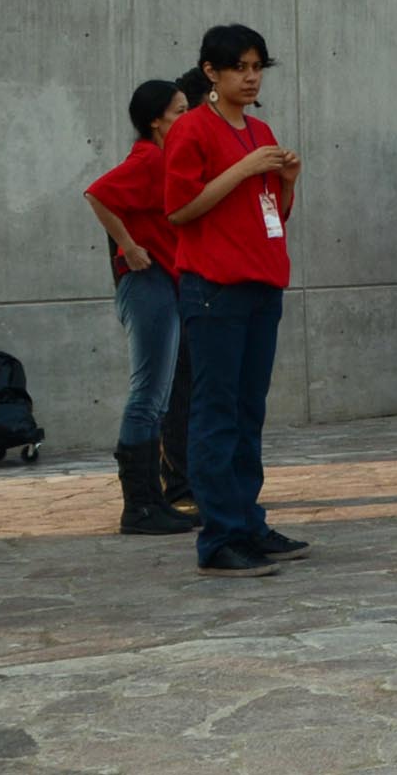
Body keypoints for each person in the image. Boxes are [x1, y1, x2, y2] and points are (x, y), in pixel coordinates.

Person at [164, 24, 306, 579]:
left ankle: (248, 523)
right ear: (211, 72)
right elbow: (179, 209)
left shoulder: (260, 129)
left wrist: (287, 180)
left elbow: (272, 212)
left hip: (262, 283)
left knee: (249, 411)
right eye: (239, 68)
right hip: (215, 289)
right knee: (216, 412)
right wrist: (243, 169)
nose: (251, 78)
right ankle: (220, 537)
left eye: (257, 68)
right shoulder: (192, 129)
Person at [83, 79, 197, 536]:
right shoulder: (149, 159)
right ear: (155, 120)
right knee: (148, 397)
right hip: (147, 284)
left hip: (163, 283)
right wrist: (128, 246)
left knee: (157, 398)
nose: (187, 119)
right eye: (179, 111)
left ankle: (151, 501)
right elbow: (98, 193)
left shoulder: (166, 159)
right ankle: (139, 506)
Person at [155, 65, 213, 515]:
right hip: (172, 288)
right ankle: (178, 486)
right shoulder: (159, 158)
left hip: (197, 284)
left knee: (198, 388)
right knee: (180, 389)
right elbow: (101, 195)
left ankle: (198, 481)